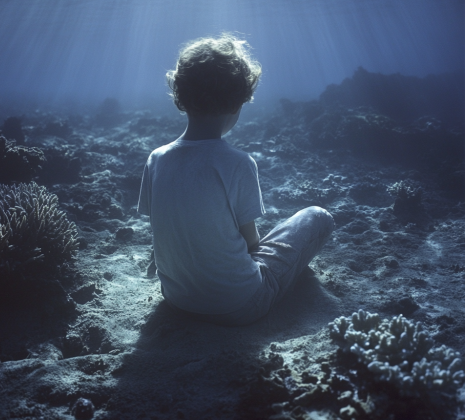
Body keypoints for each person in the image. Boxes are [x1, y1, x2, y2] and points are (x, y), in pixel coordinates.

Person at [138, 34, 334, 325]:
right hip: (241, 305)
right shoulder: (239, 163)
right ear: (237, 104)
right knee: (318, 217)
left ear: (180, 97)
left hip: (177, 300)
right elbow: (252, 244)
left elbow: (161, 228)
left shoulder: (156, 159)